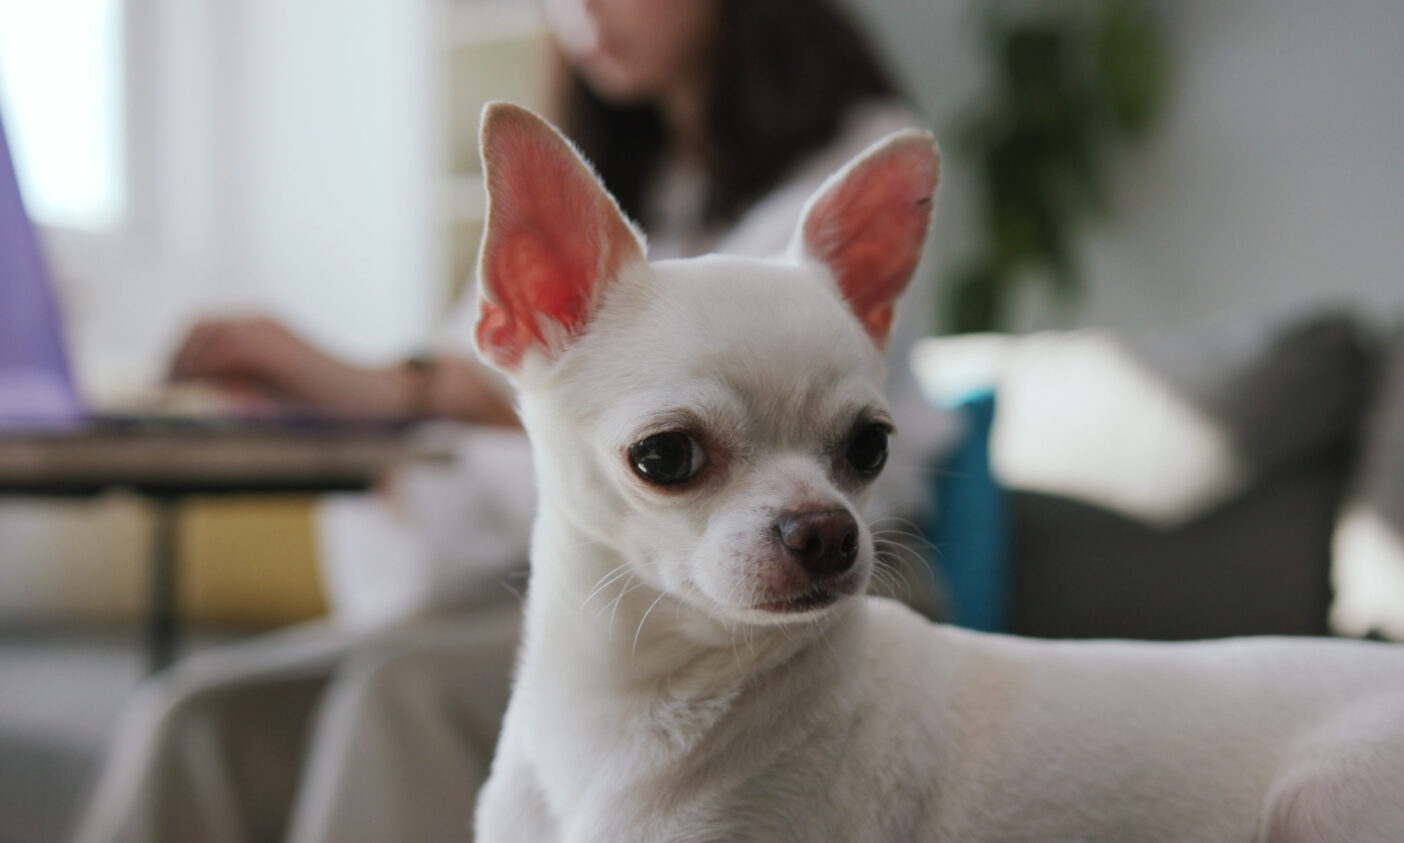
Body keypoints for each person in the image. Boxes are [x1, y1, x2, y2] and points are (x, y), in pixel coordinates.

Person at [72, 1, 947, 841]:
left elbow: (669, 390)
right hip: (601, 587)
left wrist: (378, 384)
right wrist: (344, 386)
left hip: (821, 577)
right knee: (194, 717)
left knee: (399, 693)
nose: (584, 15)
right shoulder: (626, 172)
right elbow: (503, 359)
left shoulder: (854, 156)